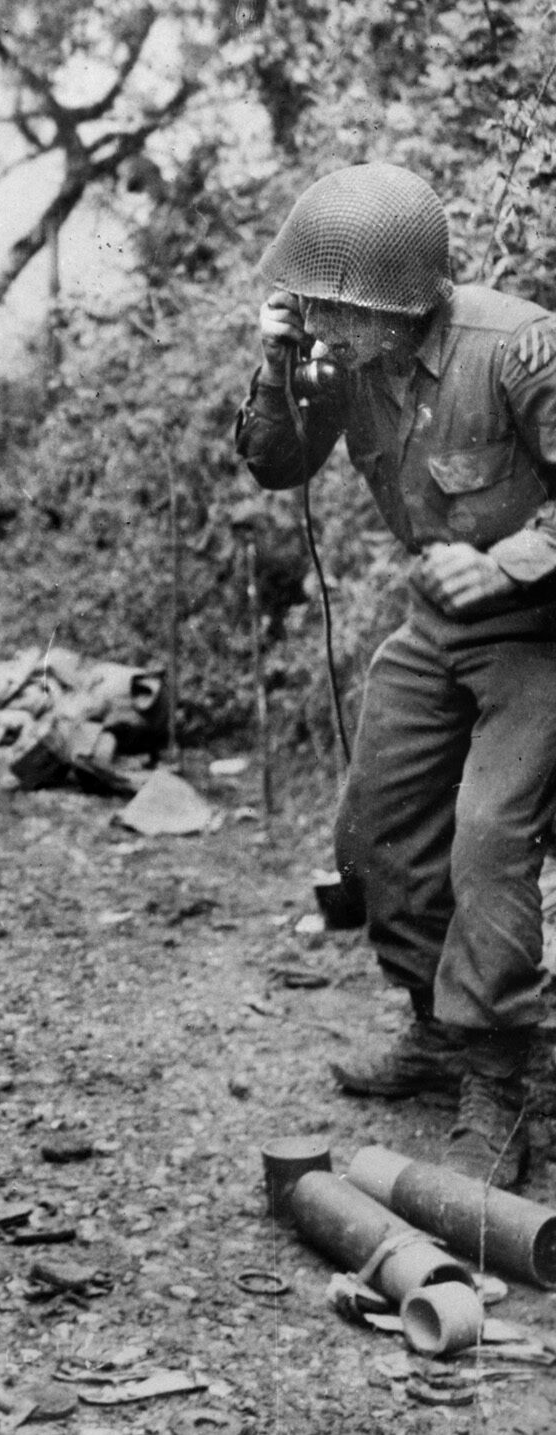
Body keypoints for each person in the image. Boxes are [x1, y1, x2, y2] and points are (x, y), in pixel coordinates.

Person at [234, 162, 556, 1187]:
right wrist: (278, 372)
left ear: (402, 300)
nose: (319, 322)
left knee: (491, 834)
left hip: (542, 626)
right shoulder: (337, 361)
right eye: (311, 304)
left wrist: (509, 560)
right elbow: (275, 464)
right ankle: (433, 1027)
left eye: (336, 307)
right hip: (438, 623)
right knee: (374, 824)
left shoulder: (517, 347)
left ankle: (499, 1083)